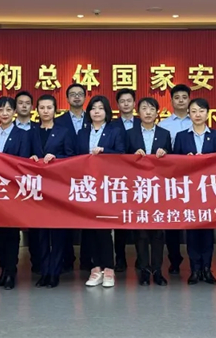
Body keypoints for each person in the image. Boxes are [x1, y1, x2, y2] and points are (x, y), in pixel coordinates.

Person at [173, 98, 216, 285]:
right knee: (192, 231)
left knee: (207, 232)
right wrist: (185, 160)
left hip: (211, 190)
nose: (197, 114)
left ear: (207, 113)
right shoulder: (181, 136)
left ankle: (207, 268)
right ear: (189, 114)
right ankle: (195, 269)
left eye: (201, 111)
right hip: (189, 191)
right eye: (193, 111)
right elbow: (174, 163)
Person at [77, 95, 126, 288]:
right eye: (93, 108)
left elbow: (121, 153)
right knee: (89, 229)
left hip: (107, 185)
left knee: (104, 229)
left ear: (107, 112)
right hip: (86, 185)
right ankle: (95, 268)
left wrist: (104, 151)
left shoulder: (115, 131)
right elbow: (75, 157)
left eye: (100, 108)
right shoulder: (82, 132)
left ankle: (109, 269)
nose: (96, 111)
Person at [29, 95, 76, 288]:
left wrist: (57, 158)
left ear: (55, 110)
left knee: (57, 233)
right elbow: (23, 156)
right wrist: (30, 158)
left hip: (57, 188)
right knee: (41, 234)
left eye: (49, 107)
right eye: (42, 107)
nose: (45, 111)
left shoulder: (64, 132)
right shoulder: (31, 132)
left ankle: (55, 272)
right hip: (37, 189)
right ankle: (44, 271)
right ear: (37, 110)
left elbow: (72, 157)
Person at [126, 97, 171, 286]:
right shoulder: (129, 134)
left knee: (158, 233)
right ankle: (144, 270)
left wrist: (165, 154)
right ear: (138, 112)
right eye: (144, 108)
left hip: (158, 189)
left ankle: (158, 270)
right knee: (142, 232)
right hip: (137, 189)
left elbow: (173, 161)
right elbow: (121, 159)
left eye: (152, 109)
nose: (148, 112)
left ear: (157, 112)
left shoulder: (164, 134)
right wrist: (132, 156)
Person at [0, 96, 33, 290]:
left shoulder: (22, 135)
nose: (5, 113)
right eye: (1, 110)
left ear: (14, 112)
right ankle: (2, 270)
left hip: (14, 189)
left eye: (9, 110)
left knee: (11, 232)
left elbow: (22, 161)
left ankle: (11, 271)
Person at [54, 83, 89, 271]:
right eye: (73, 94)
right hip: (64, 177)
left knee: (88, 219)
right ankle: (66, 259)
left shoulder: (93, 118)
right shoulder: (58, 121)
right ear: (67, 98)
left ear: (85, 97)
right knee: (64, 218)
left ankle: (87, 260)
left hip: (89, 176)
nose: (76, 97)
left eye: (80, 94)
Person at [157, 84, 192, 275]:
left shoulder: (197, 119)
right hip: (169, 178)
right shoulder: (163, 125)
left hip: (193, 179)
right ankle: (174, 259)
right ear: (171, 101)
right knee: (171, 221)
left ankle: (196, 262)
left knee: (193, 219)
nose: (180, 100)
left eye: (184, 97)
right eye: (177, 97)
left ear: (189, 100)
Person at [14, 91, 43, 275]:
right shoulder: (5, 129)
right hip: (11, 183)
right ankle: (10, 266)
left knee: (35, 226)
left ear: (32, 107)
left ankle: (36, 263)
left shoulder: (37, 129)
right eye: (20, 103)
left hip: (33, 184)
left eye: (27, 103)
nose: (24, 106)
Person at [113, 88, 137, 272]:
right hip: (118, 179)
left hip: (140, 180)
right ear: (118, 104)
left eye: (129, 100)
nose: (126, 104)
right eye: (122, 101)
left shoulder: (143, 122)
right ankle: (120, 258)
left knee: (139, 220)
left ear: (134, 103)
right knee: (119, 221)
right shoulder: (112, 126)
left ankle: (140, 258)